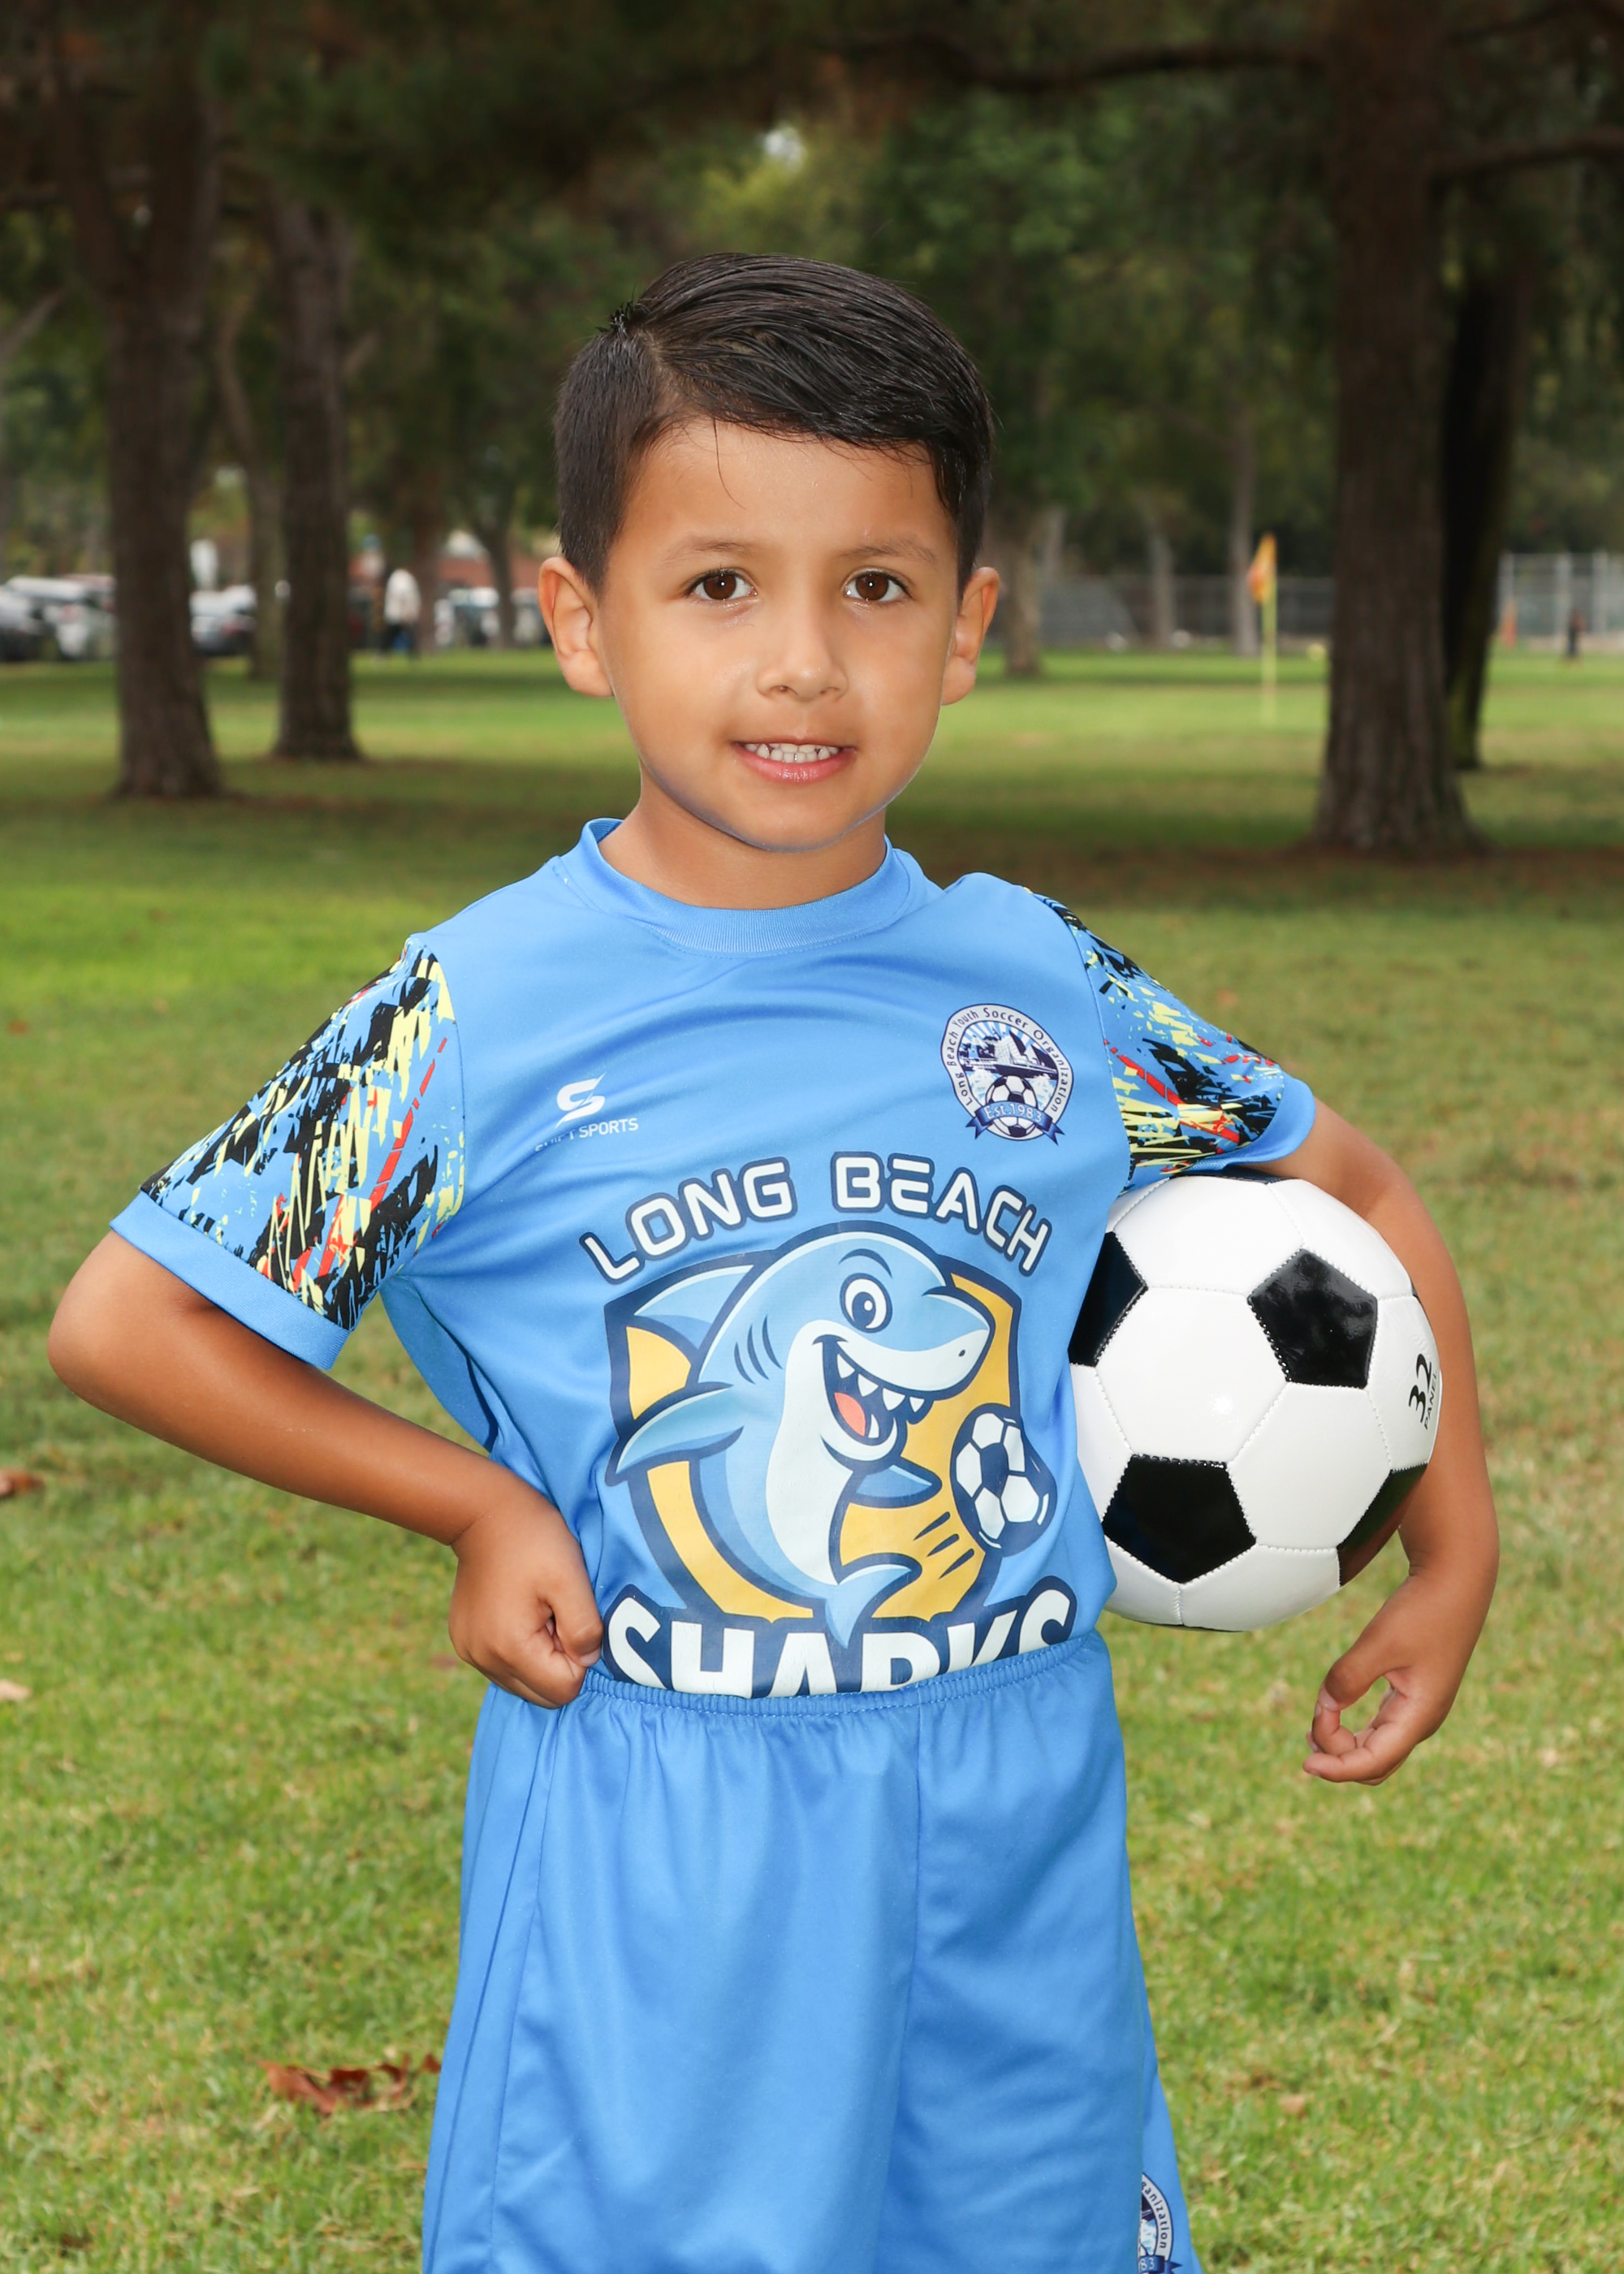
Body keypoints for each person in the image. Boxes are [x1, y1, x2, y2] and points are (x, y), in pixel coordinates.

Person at [48, 256, 1499, 2274]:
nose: (802, 664)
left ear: (965, 627)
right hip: (663, 1857)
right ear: (583, 620)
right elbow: (131, 1320)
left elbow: (1353, 1192)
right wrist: (469, 1501)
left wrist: (1452, 1545)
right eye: (719, 585)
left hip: (1012, 1832)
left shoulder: (1037, 986)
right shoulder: (475, 1012)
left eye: (874, 587)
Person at [384, 562, 422, 656]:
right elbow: (403, 594)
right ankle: (384, 653)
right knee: (394, 633)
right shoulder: (402, 578)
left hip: (400, 612)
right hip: (399, 612)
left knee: (407, 634)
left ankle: (412, 654)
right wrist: (406, 610)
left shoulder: (399, 577)